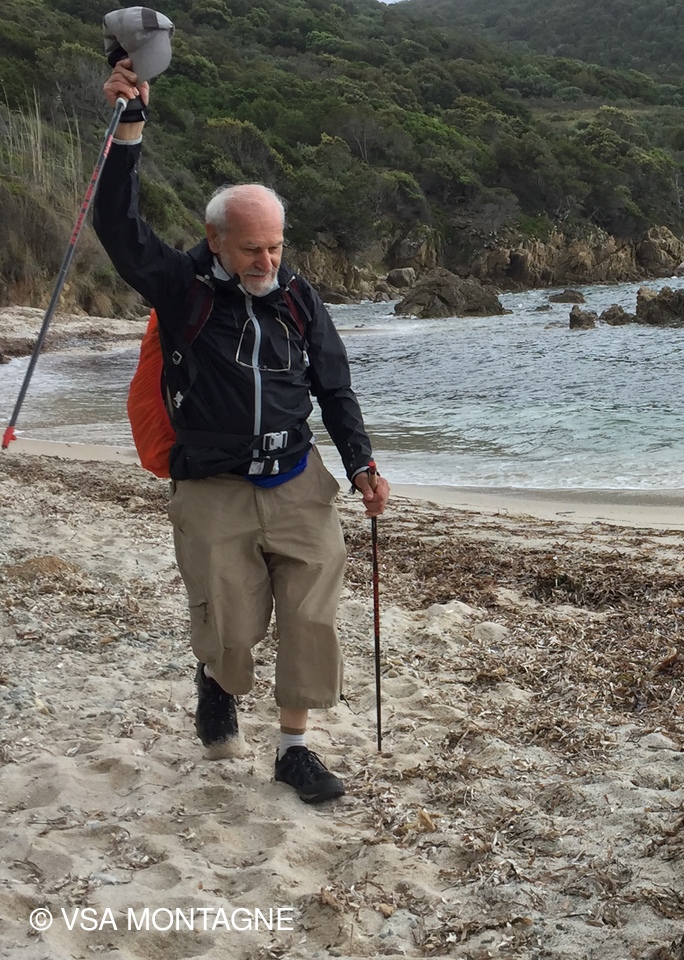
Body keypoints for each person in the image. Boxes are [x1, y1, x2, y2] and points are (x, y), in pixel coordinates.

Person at [94, 60, 391, 804]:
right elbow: (119, 229)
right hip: (212, 485)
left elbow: (334, 385)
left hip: (297, 480)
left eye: (277, 246)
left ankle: (293, 749)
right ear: (216, 239)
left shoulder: (297, 297)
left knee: (310, 615)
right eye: (254, 248)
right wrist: (129, 128)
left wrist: (361, 464)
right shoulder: (181, 288)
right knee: (230, 630)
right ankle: (215, 678)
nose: (268, 262)